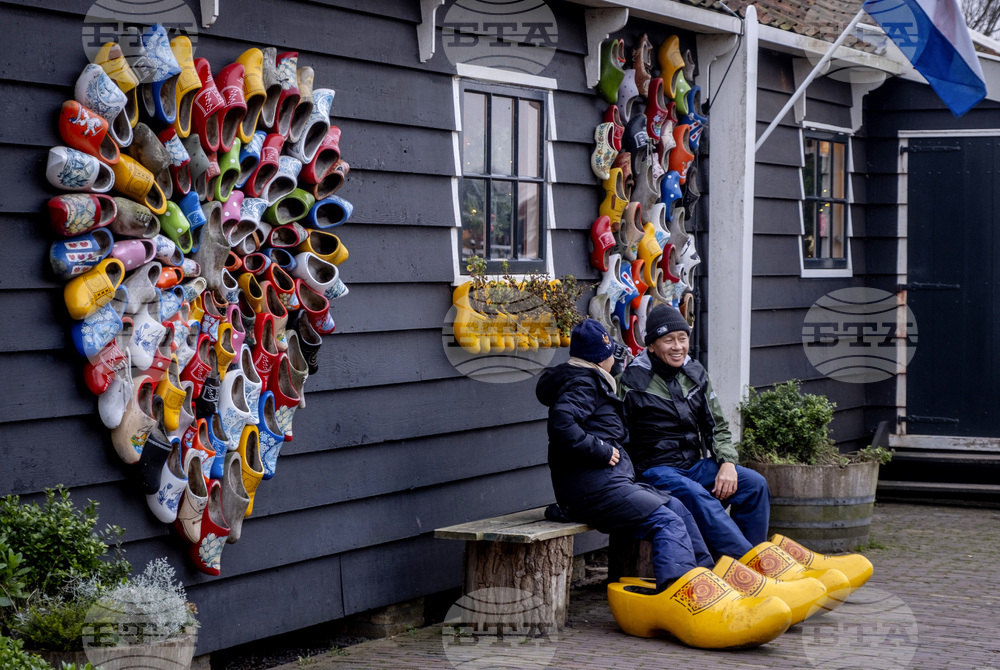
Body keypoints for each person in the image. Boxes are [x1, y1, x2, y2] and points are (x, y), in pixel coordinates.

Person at [535, 318, 713, 590]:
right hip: (594, 491)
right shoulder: (584, 383)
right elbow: (561, 425)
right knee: (667, 522)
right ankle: (680, 594)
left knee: (677, 507)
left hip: (606, 485)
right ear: (601, 358)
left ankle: (705, 581)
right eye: (611, 355)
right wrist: (602, 450)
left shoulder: (587, 378)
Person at [618, 305, 770, 560]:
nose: (678, 346)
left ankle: (742, 561)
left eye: (683, 338)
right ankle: (750, 565)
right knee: (694, 493)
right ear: (652, 346)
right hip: (654, 471)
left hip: (692, 466)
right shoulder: (630, 382)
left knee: (754, 484)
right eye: (669, 340)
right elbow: (616, 436)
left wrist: (728, 463)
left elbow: (717, 425)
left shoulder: (696, 374)